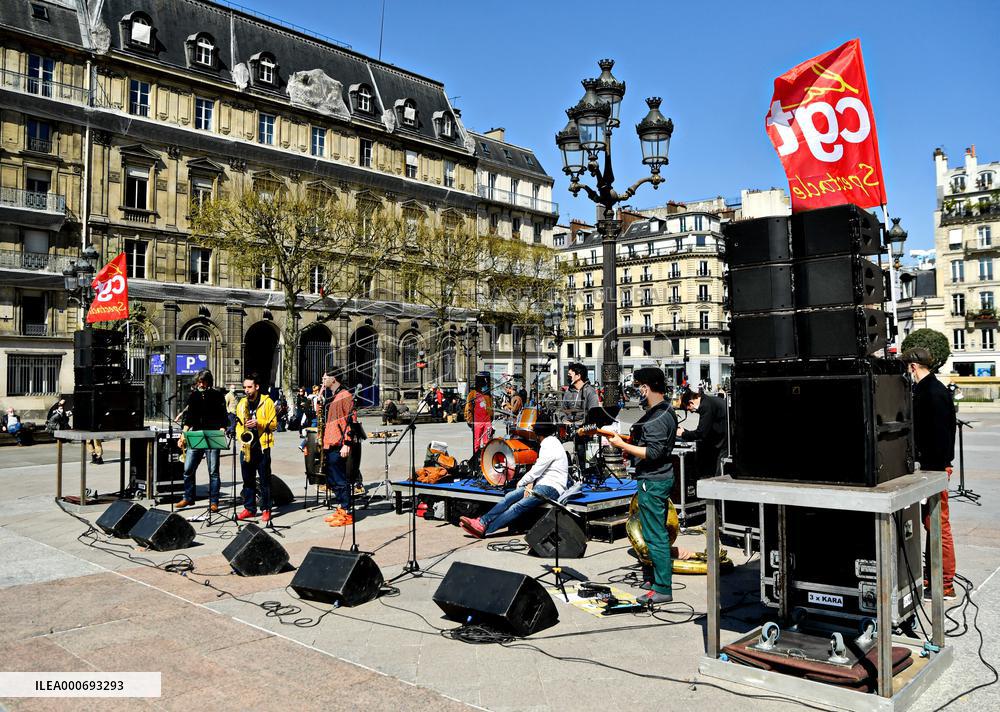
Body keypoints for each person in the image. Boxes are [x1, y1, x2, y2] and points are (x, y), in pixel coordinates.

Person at [607, 367, 677, 604]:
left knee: (655, 535)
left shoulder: (657, 416)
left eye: (638, 386)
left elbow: (654, 452)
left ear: (646, 387)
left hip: (653, 479)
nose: (637, 391)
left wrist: (622, 445)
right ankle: (653, 577)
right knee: (651, 531)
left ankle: (662, 588)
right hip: (658, 477)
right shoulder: (665, 409)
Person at [901, 347, 957, 600]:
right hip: (935, 466)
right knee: (932, 523)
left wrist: (929, 467)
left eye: (907, 368)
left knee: (938, 524)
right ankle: (934, 578)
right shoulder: (935, 389)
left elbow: (938, 436)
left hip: (934, 468)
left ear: (913, 367)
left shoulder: (930, 393)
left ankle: (944, 583)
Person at [459, 418, 568, 537]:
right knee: (509, 497)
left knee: (518, 506)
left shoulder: (549, 444)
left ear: (539, 435)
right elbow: (542, 470)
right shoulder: (550, 442)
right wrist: (531, 483)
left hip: (551, 488)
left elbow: (538, 469)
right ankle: (482, 522)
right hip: (542, 484)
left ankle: (485, 529)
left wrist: (522, 482)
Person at [175, 369, 228, 512]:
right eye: (198, 381)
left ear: (208, 381)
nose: (200, 384)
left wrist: (223, 429)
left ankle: (214, 501)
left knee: (213, 471)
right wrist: (183, 435)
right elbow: (189, 418)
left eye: (202, 381)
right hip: (196, 434)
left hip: (212, 434)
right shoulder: (194, 396)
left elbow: (224, 416)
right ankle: (188, 497)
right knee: (188, 468)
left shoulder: (217, 396)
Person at [235, 373, 278, 523]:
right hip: (246, 447)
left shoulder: (268, 402)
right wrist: (241, 437)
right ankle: (249, 508)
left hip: (262, 446)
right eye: (244, 387)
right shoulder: (241, 403)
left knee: (265, 481)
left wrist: (258, 423)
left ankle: (266, 509)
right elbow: (239, 425)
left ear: (257, 387)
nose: (246, 390)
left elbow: (274, 425)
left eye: (249, 387)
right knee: (247, 480)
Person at [319, 368, 355, 528]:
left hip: (339, 443)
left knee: (340, 479)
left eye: (325, 377)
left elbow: (351, 420)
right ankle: (341, 507)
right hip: (330, 442)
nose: (322, 379)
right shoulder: (333, 397)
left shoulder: (345, 396)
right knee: (332, 478)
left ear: (334, 379)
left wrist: (347, 443)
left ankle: (347, 511)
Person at [678, 389, 730, 477]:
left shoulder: (706, 406)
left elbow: (701, 433)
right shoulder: (708, 400)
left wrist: (683, 434)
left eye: (689, 409)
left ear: (691, 403)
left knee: (718, 472)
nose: (691, 411)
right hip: (723, 438)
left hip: (723, 441)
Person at [561, 363, 601, 474]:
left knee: (581, 450)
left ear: (578, 376)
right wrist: (564, 420)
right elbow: (562, 410)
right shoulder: (568, 392)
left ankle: (583, 472)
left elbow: (594, 413)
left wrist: (581, 423)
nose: (568, 377)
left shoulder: (589, 391)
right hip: (569, 429)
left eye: (570, 375)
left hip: (584, 430)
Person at [464, 374, 494, 453]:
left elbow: (491, 407)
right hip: (477, 422)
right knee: (477, 442)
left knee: (487, 442)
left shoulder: (487, 394)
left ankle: (485, 458)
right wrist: (469, 419)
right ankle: (476, 459)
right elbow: (468, 407)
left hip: (487, 421)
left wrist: (491, 418)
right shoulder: (472, 394)